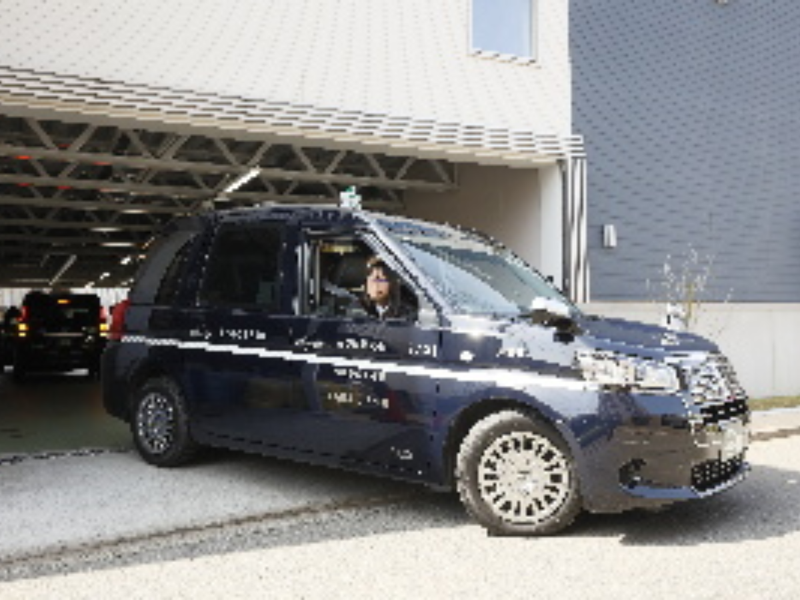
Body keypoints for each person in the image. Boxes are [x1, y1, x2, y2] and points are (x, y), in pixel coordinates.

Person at [361, 256, 415, 321]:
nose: (375, 285)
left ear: (392, 283)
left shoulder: (406, 314)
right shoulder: (357, 309)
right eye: (372, 280)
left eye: (380, 280)